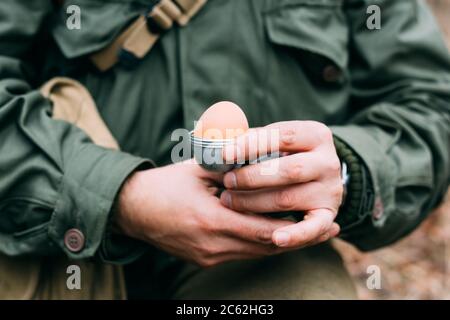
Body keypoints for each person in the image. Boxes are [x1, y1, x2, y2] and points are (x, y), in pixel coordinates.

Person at [0, 0, 449, 299]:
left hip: (262, 256)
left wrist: (349, 170)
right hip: (64, 249)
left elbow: (430, 103)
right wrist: (119, 196)